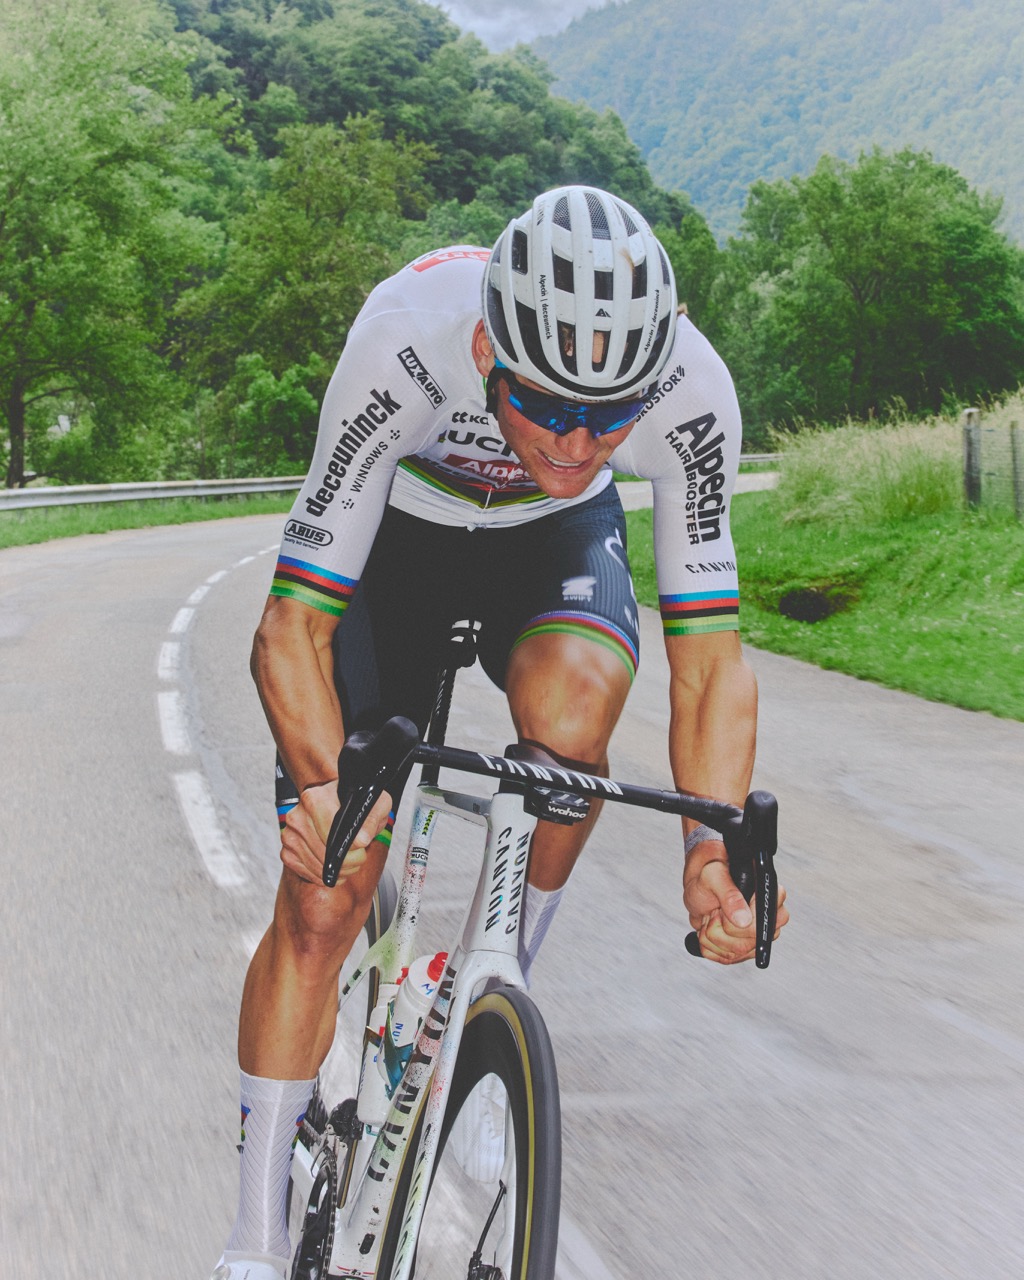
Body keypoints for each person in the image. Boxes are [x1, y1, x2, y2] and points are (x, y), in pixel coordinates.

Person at [210, 184, 789, 1280]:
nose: (578, 440)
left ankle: (485, 1000)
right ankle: (251, 1235)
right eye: (546, 405)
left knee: (574, 721)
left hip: (545, 547)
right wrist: (324, 791)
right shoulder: (406, 342)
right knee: (329, 891)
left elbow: (709, 660)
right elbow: (289, 626)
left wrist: (709, 849)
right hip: (396, 544)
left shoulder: (691, 394)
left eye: (610, 415)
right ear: (488, 348)